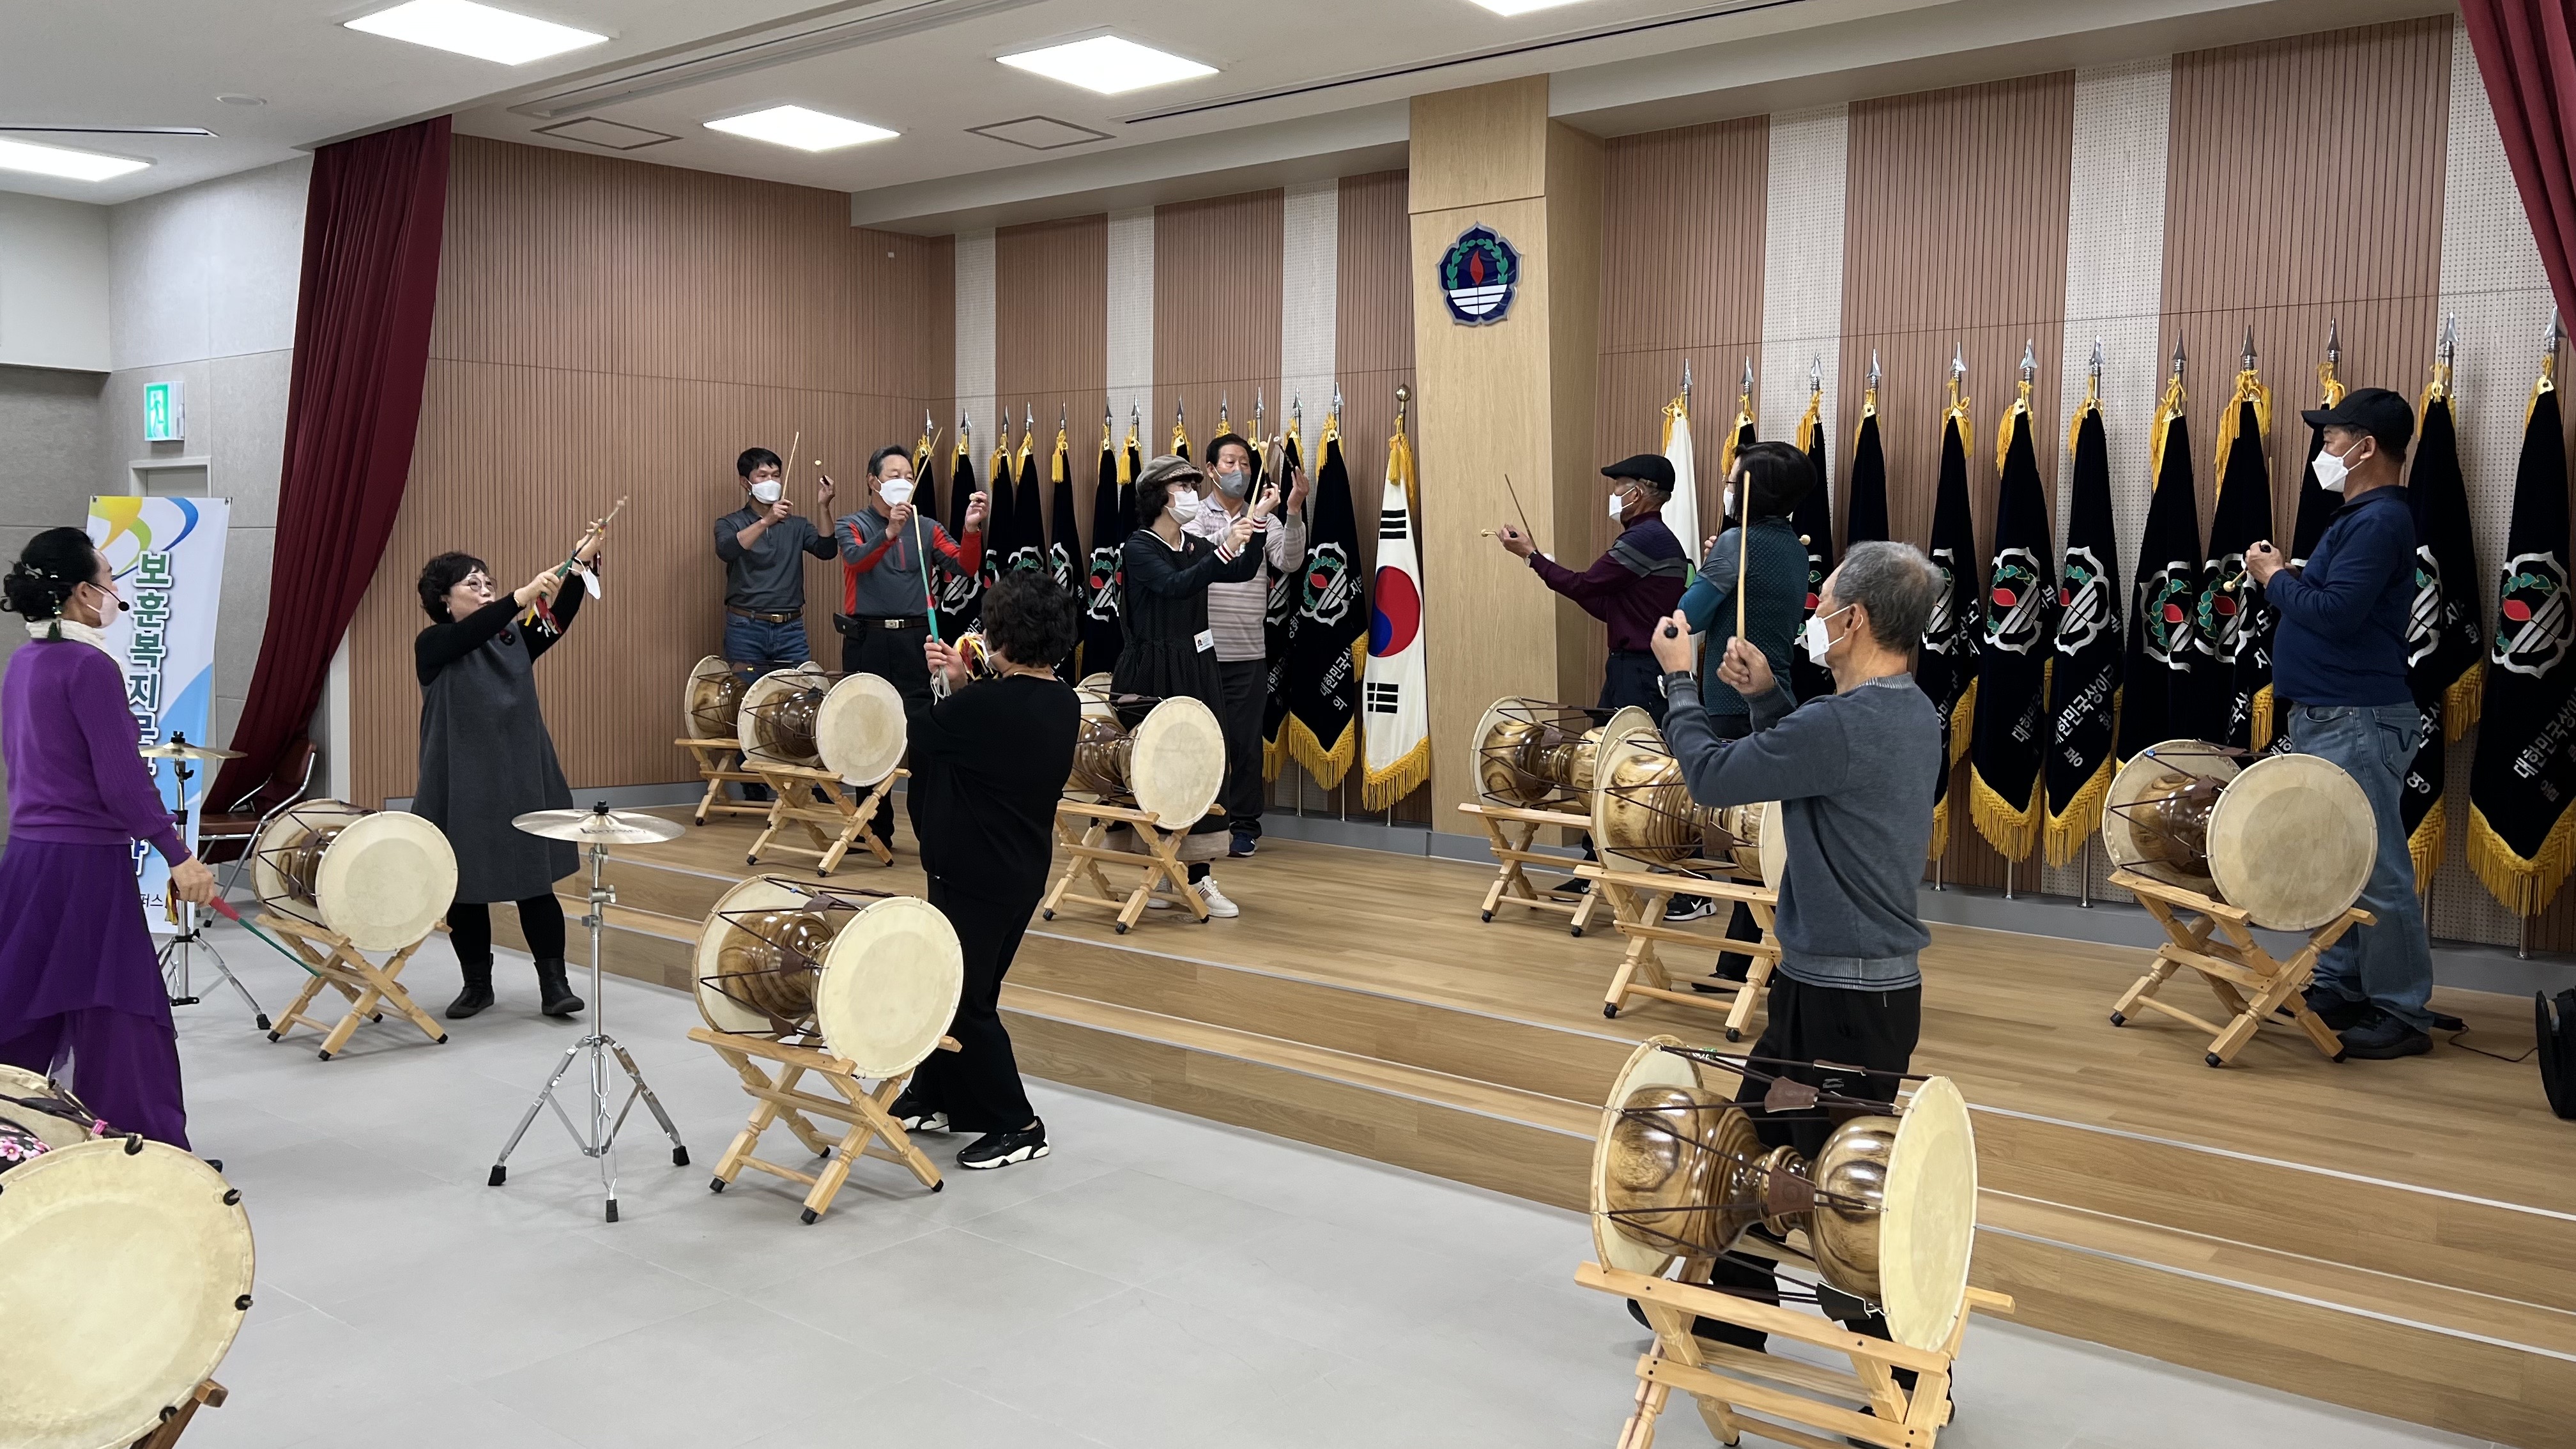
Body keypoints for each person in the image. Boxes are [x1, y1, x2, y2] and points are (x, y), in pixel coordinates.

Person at [1646, 539, 1943, 1365]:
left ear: (1855, 621)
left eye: (1825, 603)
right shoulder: (1910, 712)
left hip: (1845, 1004)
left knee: (1845, 1192)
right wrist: (1769, 698)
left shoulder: (1841, 724)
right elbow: (1821, 766)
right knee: (1754, 1144)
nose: (1815, 615)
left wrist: (1680, 681)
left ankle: (1904, 1368)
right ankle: (1733, 1304)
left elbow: (1710, 778)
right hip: (1844, 991)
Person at [0, 528, 218, 1149]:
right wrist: (178, 855)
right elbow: (121, 781)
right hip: (85, 864)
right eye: (108, 579)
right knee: (119, 1009)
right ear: (80, 593)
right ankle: (141, 1146)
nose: (116, 591)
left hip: (27, 859)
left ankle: (17, 1137)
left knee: (25, 1003)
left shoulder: (23, 663)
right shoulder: (90, 666)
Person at [2244, 386, 2438, 1060]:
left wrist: (2274, 577)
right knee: (2336, 859)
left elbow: (2335, 615)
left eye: (2332, 437)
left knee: (2376, 868)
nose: (2323, 449)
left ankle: (2402, 1010)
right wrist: (2294, 575)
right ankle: (2343, 984)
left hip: (2357, 717)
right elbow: (2336, 599)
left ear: (2367, 447)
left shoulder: (2379, 521)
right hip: (2333, 715)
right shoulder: (2361, 518)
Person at [887, 574, 1080, 1169]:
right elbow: (989, 726)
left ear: (1005, 636)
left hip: (974, 873)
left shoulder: (986, 707)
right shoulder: (1062, 700)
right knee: (959, 989)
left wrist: (925, 681)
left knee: (965, 1000)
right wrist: (962, 683)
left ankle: (1018, 1124)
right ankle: (935, 1094)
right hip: (1015, 870)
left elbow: (923, 726)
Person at [414, 523, 605, 1022]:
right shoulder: (434, 643)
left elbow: (557, 618)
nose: (485, 590)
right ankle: (477, 985)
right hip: (461, 783)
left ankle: (555, 985)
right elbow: (471, 633)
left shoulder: (511, 638)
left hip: (521, 777)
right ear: (444, 600)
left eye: (488, 583)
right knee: (465, 888)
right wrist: (519, 597)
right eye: (472, 584)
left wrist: (580, 565)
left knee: (534, 882)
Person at [1495, 452, 1690, 893]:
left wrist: (1531, 557)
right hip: (1630, 668)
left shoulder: (1646, 538)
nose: (1614, 495)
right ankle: (1595, 868)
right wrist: (1541, 562)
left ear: (1640, 491)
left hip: (1640, 671)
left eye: (1619, 486)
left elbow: (1585, 585)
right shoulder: (1649, 538)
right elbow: (1606, 605)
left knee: (1636, 769)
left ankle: (1676, 883)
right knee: (1601, 763)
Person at [1114, 454, 1273, 917]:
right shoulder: (1139, 547)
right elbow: (1175, 585)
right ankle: (1163, 868)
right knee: (1160, 770)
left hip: (1198, 667)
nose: (1190, 493)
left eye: (1191, 485)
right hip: (1152, 671)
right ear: (1157, 496)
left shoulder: (1194, 544)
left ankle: (1198, 875)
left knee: (1203, 766)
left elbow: (1240, 571)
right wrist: (1224, 548)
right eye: (1182, 486)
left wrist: (1256, 524)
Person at [1674, 440, 1813, 947]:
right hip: (1776, 698)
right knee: (1758, 835)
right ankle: (1741, 961)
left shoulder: (1738, 543)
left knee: (1741, 838)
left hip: (1731, 701)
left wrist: (1710, 566)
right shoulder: (1796, 548)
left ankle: (1748, 959)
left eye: (1733, 481)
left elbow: (1689, 616)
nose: (1727, 489)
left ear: (1756, 490)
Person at [834, 444, 988, 848]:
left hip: (917, 639)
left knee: (923, 729)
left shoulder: (928, 527)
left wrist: (972, 529)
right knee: (869, 729)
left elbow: (965, 565)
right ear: (873, 482)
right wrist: (889, 533)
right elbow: (856, 561)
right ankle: (874, 831)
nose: (903, 482)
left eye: (908, 475)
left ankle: (929, 827)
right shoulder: (851, 524)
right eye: (894, 475)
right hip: (867, 638)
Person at [1185, 432, 1307, 859]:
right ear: (1211, 470)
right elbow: (1200, 556)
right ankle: (1200, 821)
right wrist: (1249, 522)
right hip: (1201, 652)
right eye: (1229, 463)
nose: (1239, 470)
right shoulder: (1193, 516)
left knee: (1246, 745)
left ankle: (1244, 826)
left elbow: (1290, 560)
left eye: (1245, 463)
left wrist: (1293, 511)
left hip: (1249, 651)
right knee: (1200, 742)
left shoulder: (1266, 518)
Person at [714, 447, 837, 799]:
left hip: (790, 628)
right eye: (762, 476)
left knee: (806, 697)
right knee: (747, 702)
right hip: (746, 626)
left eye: (775, 475)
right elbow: (727, 550)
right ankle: (754, 782)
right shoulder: (730, 522)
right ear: (746, 483)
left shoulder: (796, 525)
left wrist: (824, 507)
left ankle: (811, 778)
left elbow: (827, 550)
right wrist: (767, 521)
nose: (771, 481)